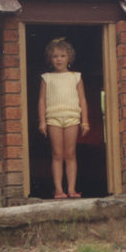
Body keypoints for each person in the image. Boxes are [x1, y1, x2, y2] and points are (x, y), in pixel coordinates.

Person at [37, 38, 90, 199]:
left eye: (62, 56)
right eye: (55, 56)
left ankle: (72, 189)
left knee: (70, 154)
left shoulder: (76, 77)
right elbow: (42, 100)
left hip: (72, 118)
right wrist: (42, 121)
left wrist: (85, 121)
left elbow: (82, 100)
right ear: (50, 59)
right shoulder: (46, 78)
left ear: (69, 58)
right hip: (53, 119)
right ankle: (59, 190)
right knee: (57, 154)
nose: (59, 59)